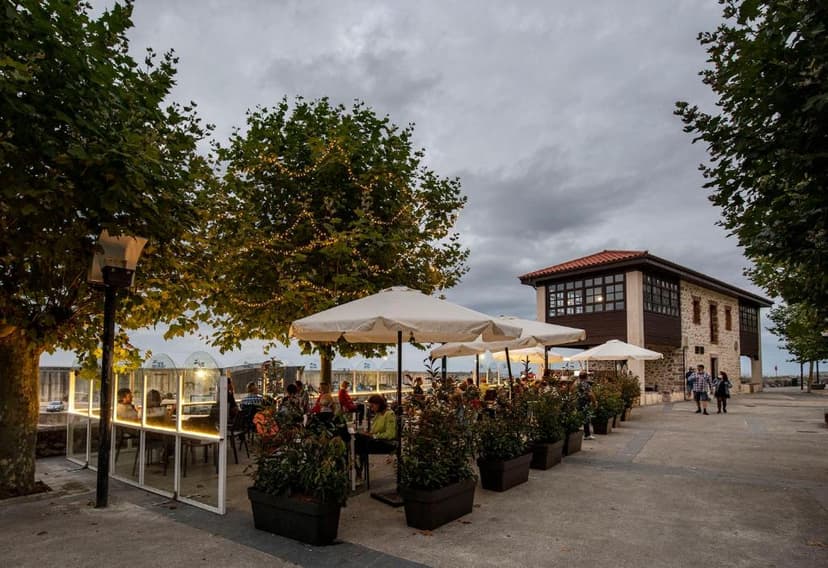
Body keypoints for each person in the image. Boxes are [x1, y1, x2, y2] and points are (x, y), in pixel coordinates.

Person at [354, 394, 397, 477]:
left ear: (378, 404)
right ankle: (358, 469)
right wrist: (368, 434)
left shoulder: (389, 414)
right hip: (377, 441)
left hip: (386, 443)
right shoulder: (378, 414)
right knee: (357, 440)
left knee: (358, 444)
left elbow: (390, 434)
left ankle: (358, 469)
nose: (371, 408)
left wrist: (374, 436)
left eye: (372, 406)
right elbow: (374, 431)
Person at [574, 372, 597, 439]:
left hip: (577, 402)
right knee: (586, 418)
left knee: (578, 417)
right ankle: (587, 434)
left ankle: (574, 431)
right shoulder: (586, 384)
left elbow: (572, 391)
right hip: (584, 402)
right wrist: (594, 402)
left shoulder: (576, 383)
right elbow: (590, 394)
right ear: (586, 377)